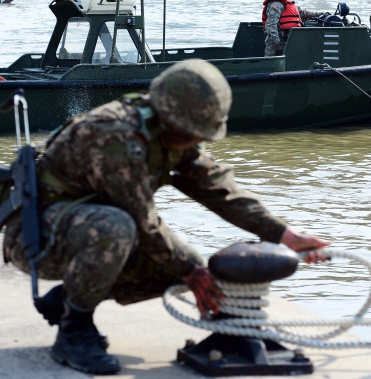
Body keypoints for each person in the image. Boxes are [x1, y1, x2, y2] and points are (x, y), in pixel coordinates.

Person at [3, 59, 329, 375]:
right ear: (172, 119)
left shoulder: (167, 133)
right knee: (123, 232)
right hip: (36, 238)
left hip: (82, 229)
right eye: (193, 133)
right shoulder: (116, 135)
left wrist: (283, 234)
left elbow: (218, 189)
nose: (197, 141)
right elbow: (141, 219)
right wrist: (188, 270)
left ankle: (65, 300)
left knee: (188, 264)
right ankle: (74, 329)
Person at [262, 0, 326, 57]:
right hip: (275, 43)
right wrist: (278, 43)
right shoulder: (276, 5)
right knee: (272, 62)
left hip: (288, 39)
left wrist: (320, 14)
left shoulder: (288, 3)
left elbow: (303, 13)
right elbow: (271, 26)